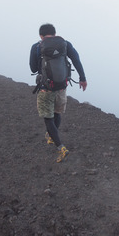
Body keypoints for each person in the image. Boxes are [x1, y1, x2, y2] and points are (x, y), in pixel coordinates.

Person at [30, 23, 87, 163]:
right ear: (55, 33)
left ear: (41, 36)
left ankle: (60, 147)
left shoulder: (37, 46)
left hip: (45, 88)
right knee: (57, 113)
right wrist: (82, 78)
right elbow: (76, 59)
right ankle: (51, 136)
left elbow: (32, 68)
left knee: (48, 118)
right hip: (61, 86)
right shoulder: (65, 44)